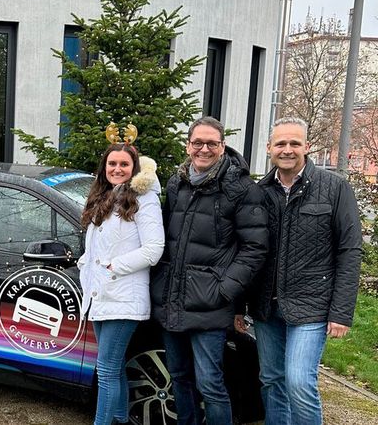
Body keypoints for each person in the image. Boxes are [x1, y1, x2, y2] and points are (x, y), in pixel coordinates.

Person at [234, 117, 362, 425]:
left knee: (299, 382)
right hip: (266, 307)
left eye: (294, 143)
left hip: (312, 305)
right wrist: (239, 306)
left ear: (307, 146)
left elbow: (349, 250)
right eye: (281, 143)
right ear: (269, 148)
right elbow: (246, 251)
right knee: (272, 380)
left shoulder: (334, 188)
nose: (287, 149)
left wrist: (341, 312)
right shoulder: (259, 192)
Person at [150, 116, 268, 425]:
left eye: (211, 143)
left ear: (222, 146)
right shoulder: (177, 183)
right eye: (198, 143)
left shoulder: (241, 188)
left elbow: (255, 247)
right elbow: (161, 236)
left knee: (210, 383)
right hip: (172, 299)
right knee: (179, 375)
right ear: (188, 146)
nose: (204, 149)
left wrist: (225, 289)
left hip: (211, 304)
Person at [78, 143, 164, 425]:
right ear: (104, 167)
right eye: (112, 163)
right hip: (100, 295)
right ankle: (120, 419)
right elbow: (98, 245)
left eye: (124, 164)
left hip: (123, 297)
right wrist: (86, 264)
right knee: (113, 369)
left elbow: (154, 249)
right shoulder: (105, 196)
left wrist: (114, 266)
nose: (117, 169)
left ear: (134, 167)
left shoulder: (144, 199)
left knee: (106, 370)